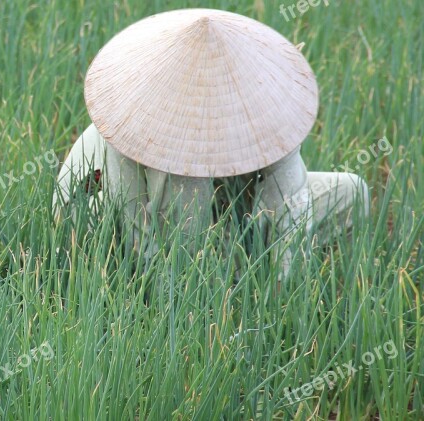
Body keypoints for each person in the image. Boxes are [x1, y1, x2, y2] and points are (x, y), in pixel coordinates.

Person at [52, 8, 369, 278]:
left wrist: (282, 298)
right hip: (113, 224)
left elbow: (291, 207)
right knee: (189, 189)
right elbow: (138, 230)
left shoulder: (264, 112)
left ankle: (235, 271)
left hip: (223, 219)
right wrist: (175, 308)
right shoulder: (133, 123)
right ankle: (208, 280)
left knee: (351, 191)